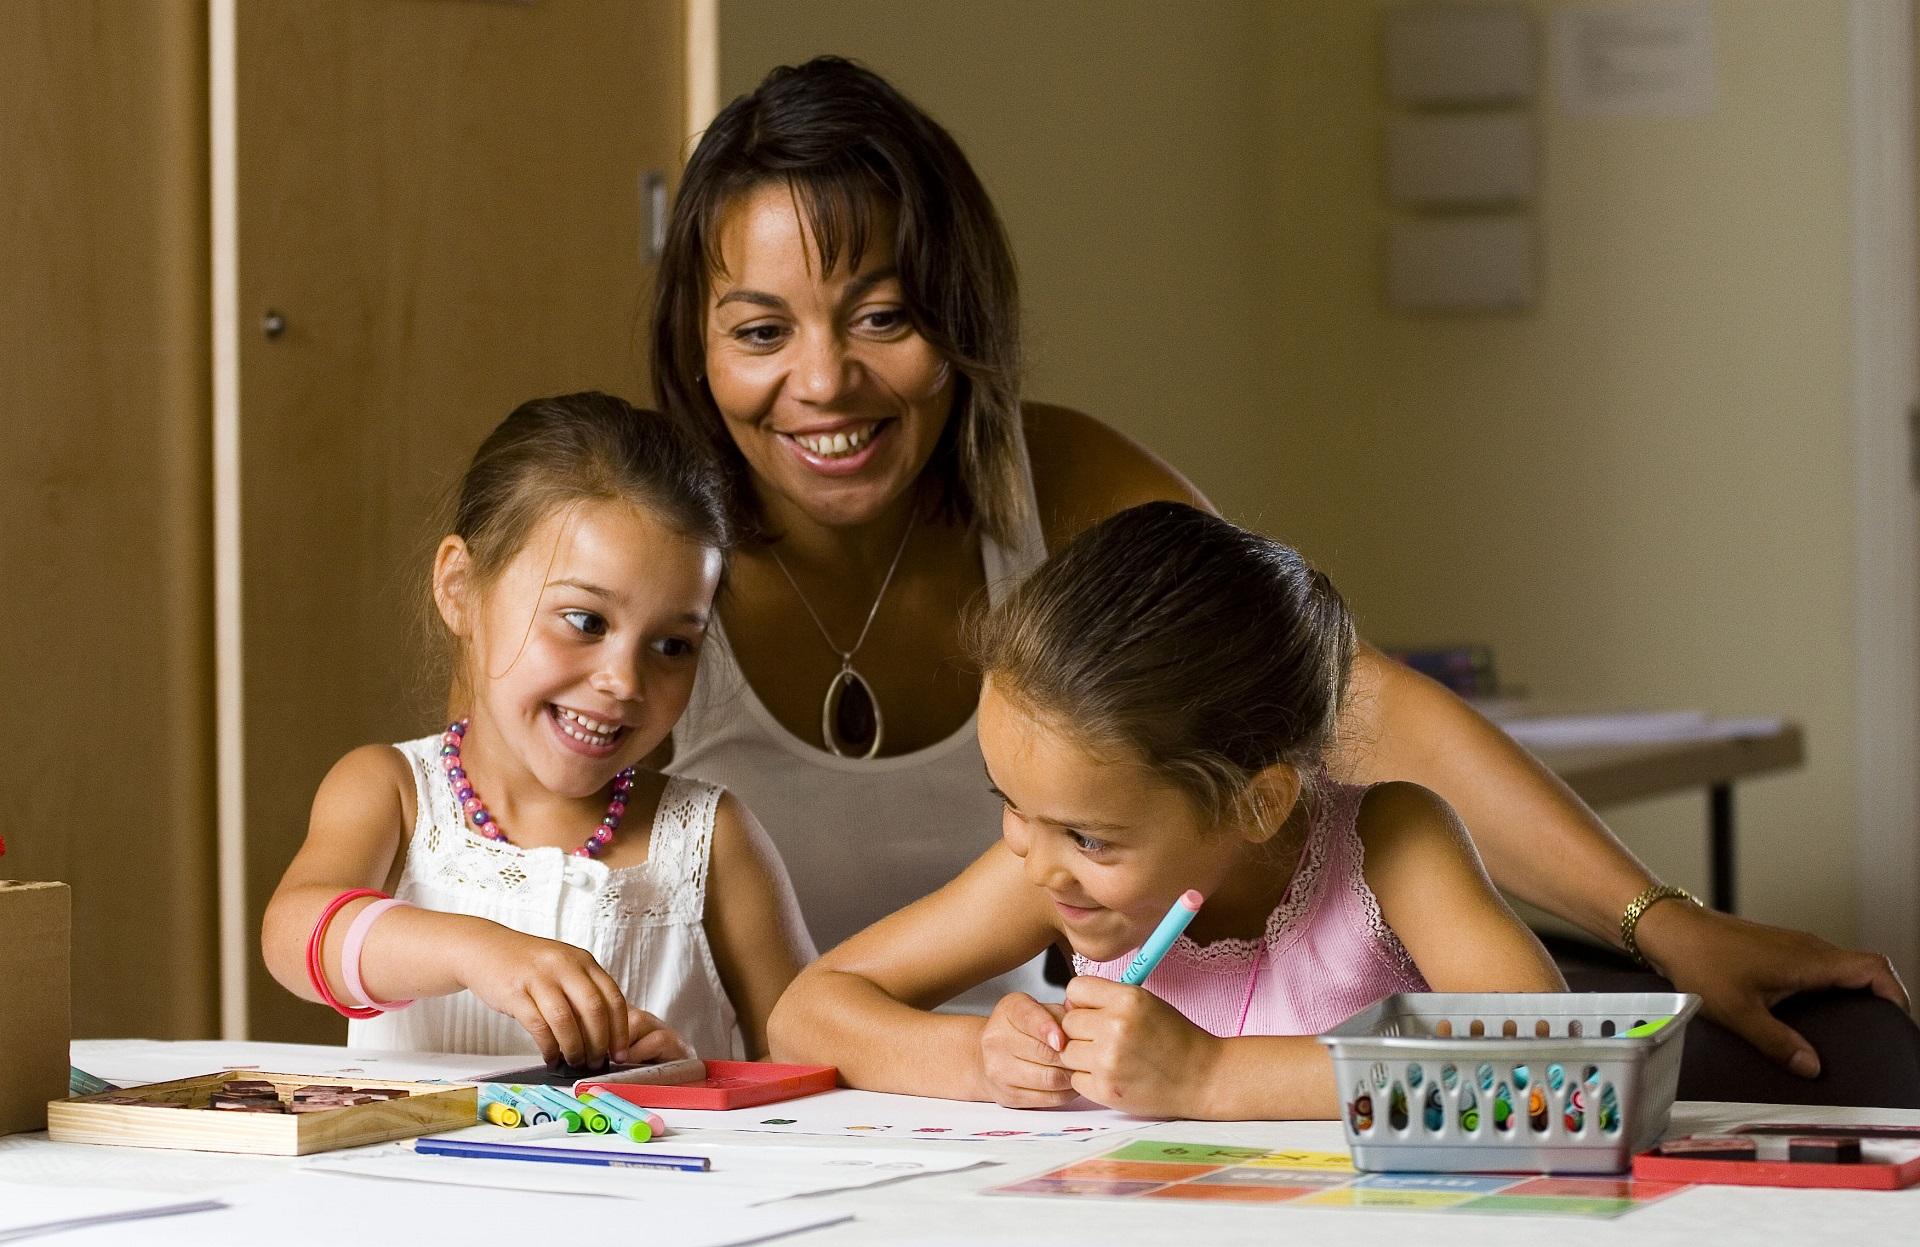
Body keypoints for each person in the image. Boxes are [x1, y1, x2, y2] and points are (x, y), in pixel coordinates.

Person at [655, 56, 1905, 1068]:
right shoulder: (648, 557)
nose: (823, 381)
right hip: (807, 1117)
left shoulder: (1060, 484)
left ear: (959, 314)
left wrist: (1662, 921)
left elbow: (1345, 706)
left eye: (884, 315)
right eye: (761, 331)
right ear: (696, 346)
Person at [770, 503, 1566, 1117]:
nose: (1040, 859)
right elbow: (806, 1014)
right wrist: (980, 1056)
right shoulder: (1050, 872)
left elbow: (1550, 1057)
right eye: (1010, 805)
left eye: (1090, 837)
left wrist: (1210, 1076)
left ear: (1258, 802)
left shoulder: (1389, 844)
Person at [262, 393, 813, 1065]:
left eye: (672, 645)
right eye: (586, 621)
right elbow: (294, 935)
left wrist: (694, 1079)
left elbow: (806, 1063)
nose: (624, 681)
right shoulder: (393, 793)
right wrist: (474, 950)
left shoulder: (711, 839)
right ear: (460, 587)